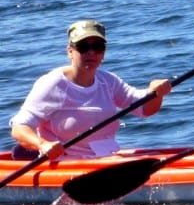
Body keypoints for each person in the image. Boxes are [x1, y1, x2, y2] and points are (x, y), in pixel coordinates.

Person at [10, 19, 172, 160]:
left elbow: (145, 109)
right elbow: (19, 127)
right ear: (70, 51)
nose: (91, 52)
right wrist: (42, 144)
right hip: (66, 163)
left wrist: (155, 92)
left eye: (98, 46)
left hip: (107, 157)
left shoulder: (108, 81)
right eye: (83, 47)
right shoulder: (52, 84)